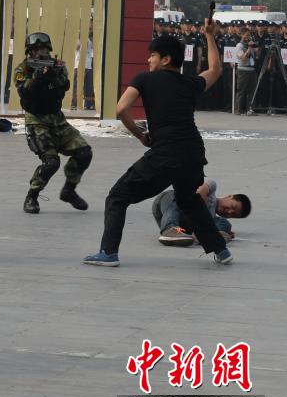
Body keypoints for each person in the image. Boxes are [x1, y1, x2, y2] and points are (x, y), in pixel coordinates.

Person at [83, 20, 233, 267]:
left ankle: (108, 252)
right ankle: (221, 250)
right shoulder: (190, 83)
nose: (148, 60)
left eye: (152, 55)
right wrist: (209, 35)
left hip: (166, 153)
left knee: (117, 197)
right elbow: (215, 69)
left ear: (165, 59)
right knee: (188, 200)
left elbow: (121, 109)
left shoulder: (144, 79)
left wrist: (141, 135)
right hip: (193, 153)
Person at [15, 32, 93, 214]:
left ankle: (69, 190)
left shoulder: (56, 66)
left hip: (57, 119)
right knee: (51, 162)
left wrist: (52, 76)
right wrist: (36, 79)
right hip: (37, 121)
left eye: (44, 49)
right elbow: (24, 92)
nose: (41, 52)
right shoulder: (23, 69)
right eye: (37, 49)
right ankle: (32, 195)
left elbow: (64, 86)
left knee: (84, 153)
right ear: (30, 51)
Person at [154, 179, 251, 246]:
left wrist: (222, 231)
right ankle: (169, 230)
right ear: (229, 196)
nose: (229, 211)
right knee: (175, 199)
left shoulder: (212, 218)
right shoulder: (212, 189)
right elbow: (201, 192)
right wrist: (202, 216)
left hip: (183, 226)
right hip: (168, 204)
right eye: (233, 206)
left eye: (232, 214)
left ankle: (203, 237)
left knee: (225, 224)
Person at [234, 34, 258, 115]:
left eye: (249, 36)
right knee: (241, 91)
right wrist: (249, 48)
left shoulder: (251, 45)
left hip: (252, 69)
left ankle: (250, 110)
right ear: (242, 35)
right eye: (246, 35)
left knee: (252, 91)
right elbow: (243, 58)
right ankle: (238, 110)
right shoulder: (239, 46)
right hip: (243, 70)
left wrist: (255, 49)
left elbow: (256, 56)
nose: (248, 37)